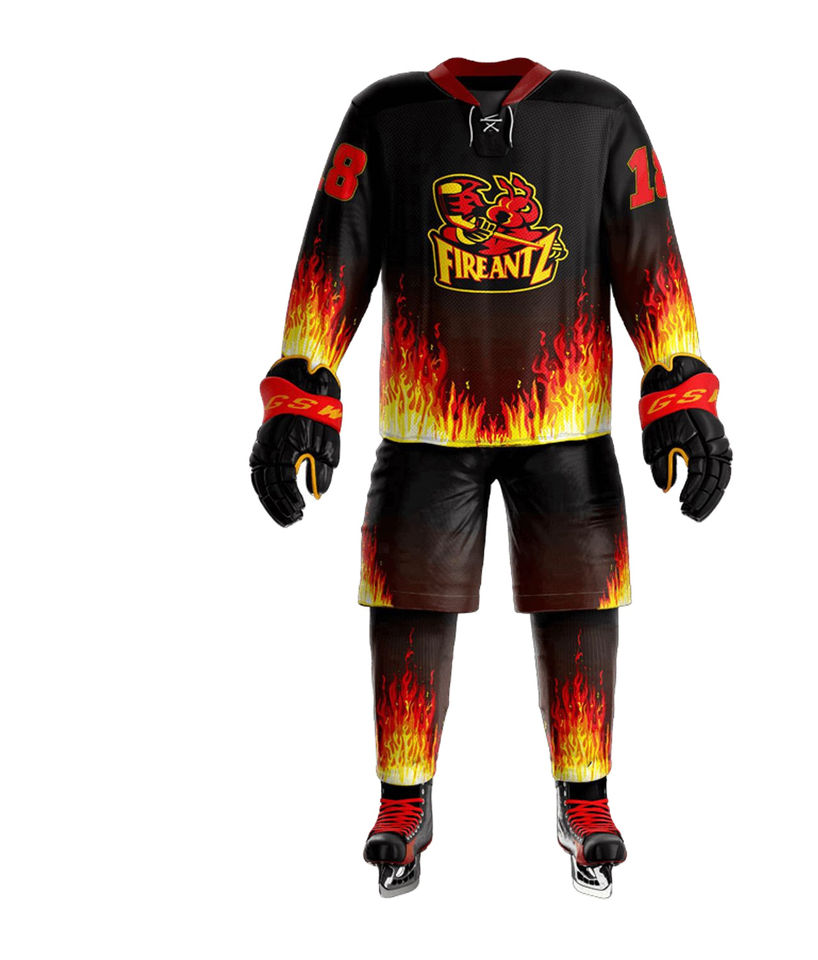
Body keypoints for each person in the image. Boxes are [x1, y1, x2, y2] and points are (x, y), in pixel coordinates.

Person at [250, 58, 732, 898]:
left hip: (567, 420)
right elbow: (337, 249)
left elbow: (648, 253)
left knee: (581, 600)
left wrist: (677, 380)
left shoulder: (599, 115)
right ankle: (403, 800)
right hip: (427, 422)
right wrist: (303, 381)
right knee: (409, 600)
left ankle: (585, 798)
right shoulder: (385, 116)